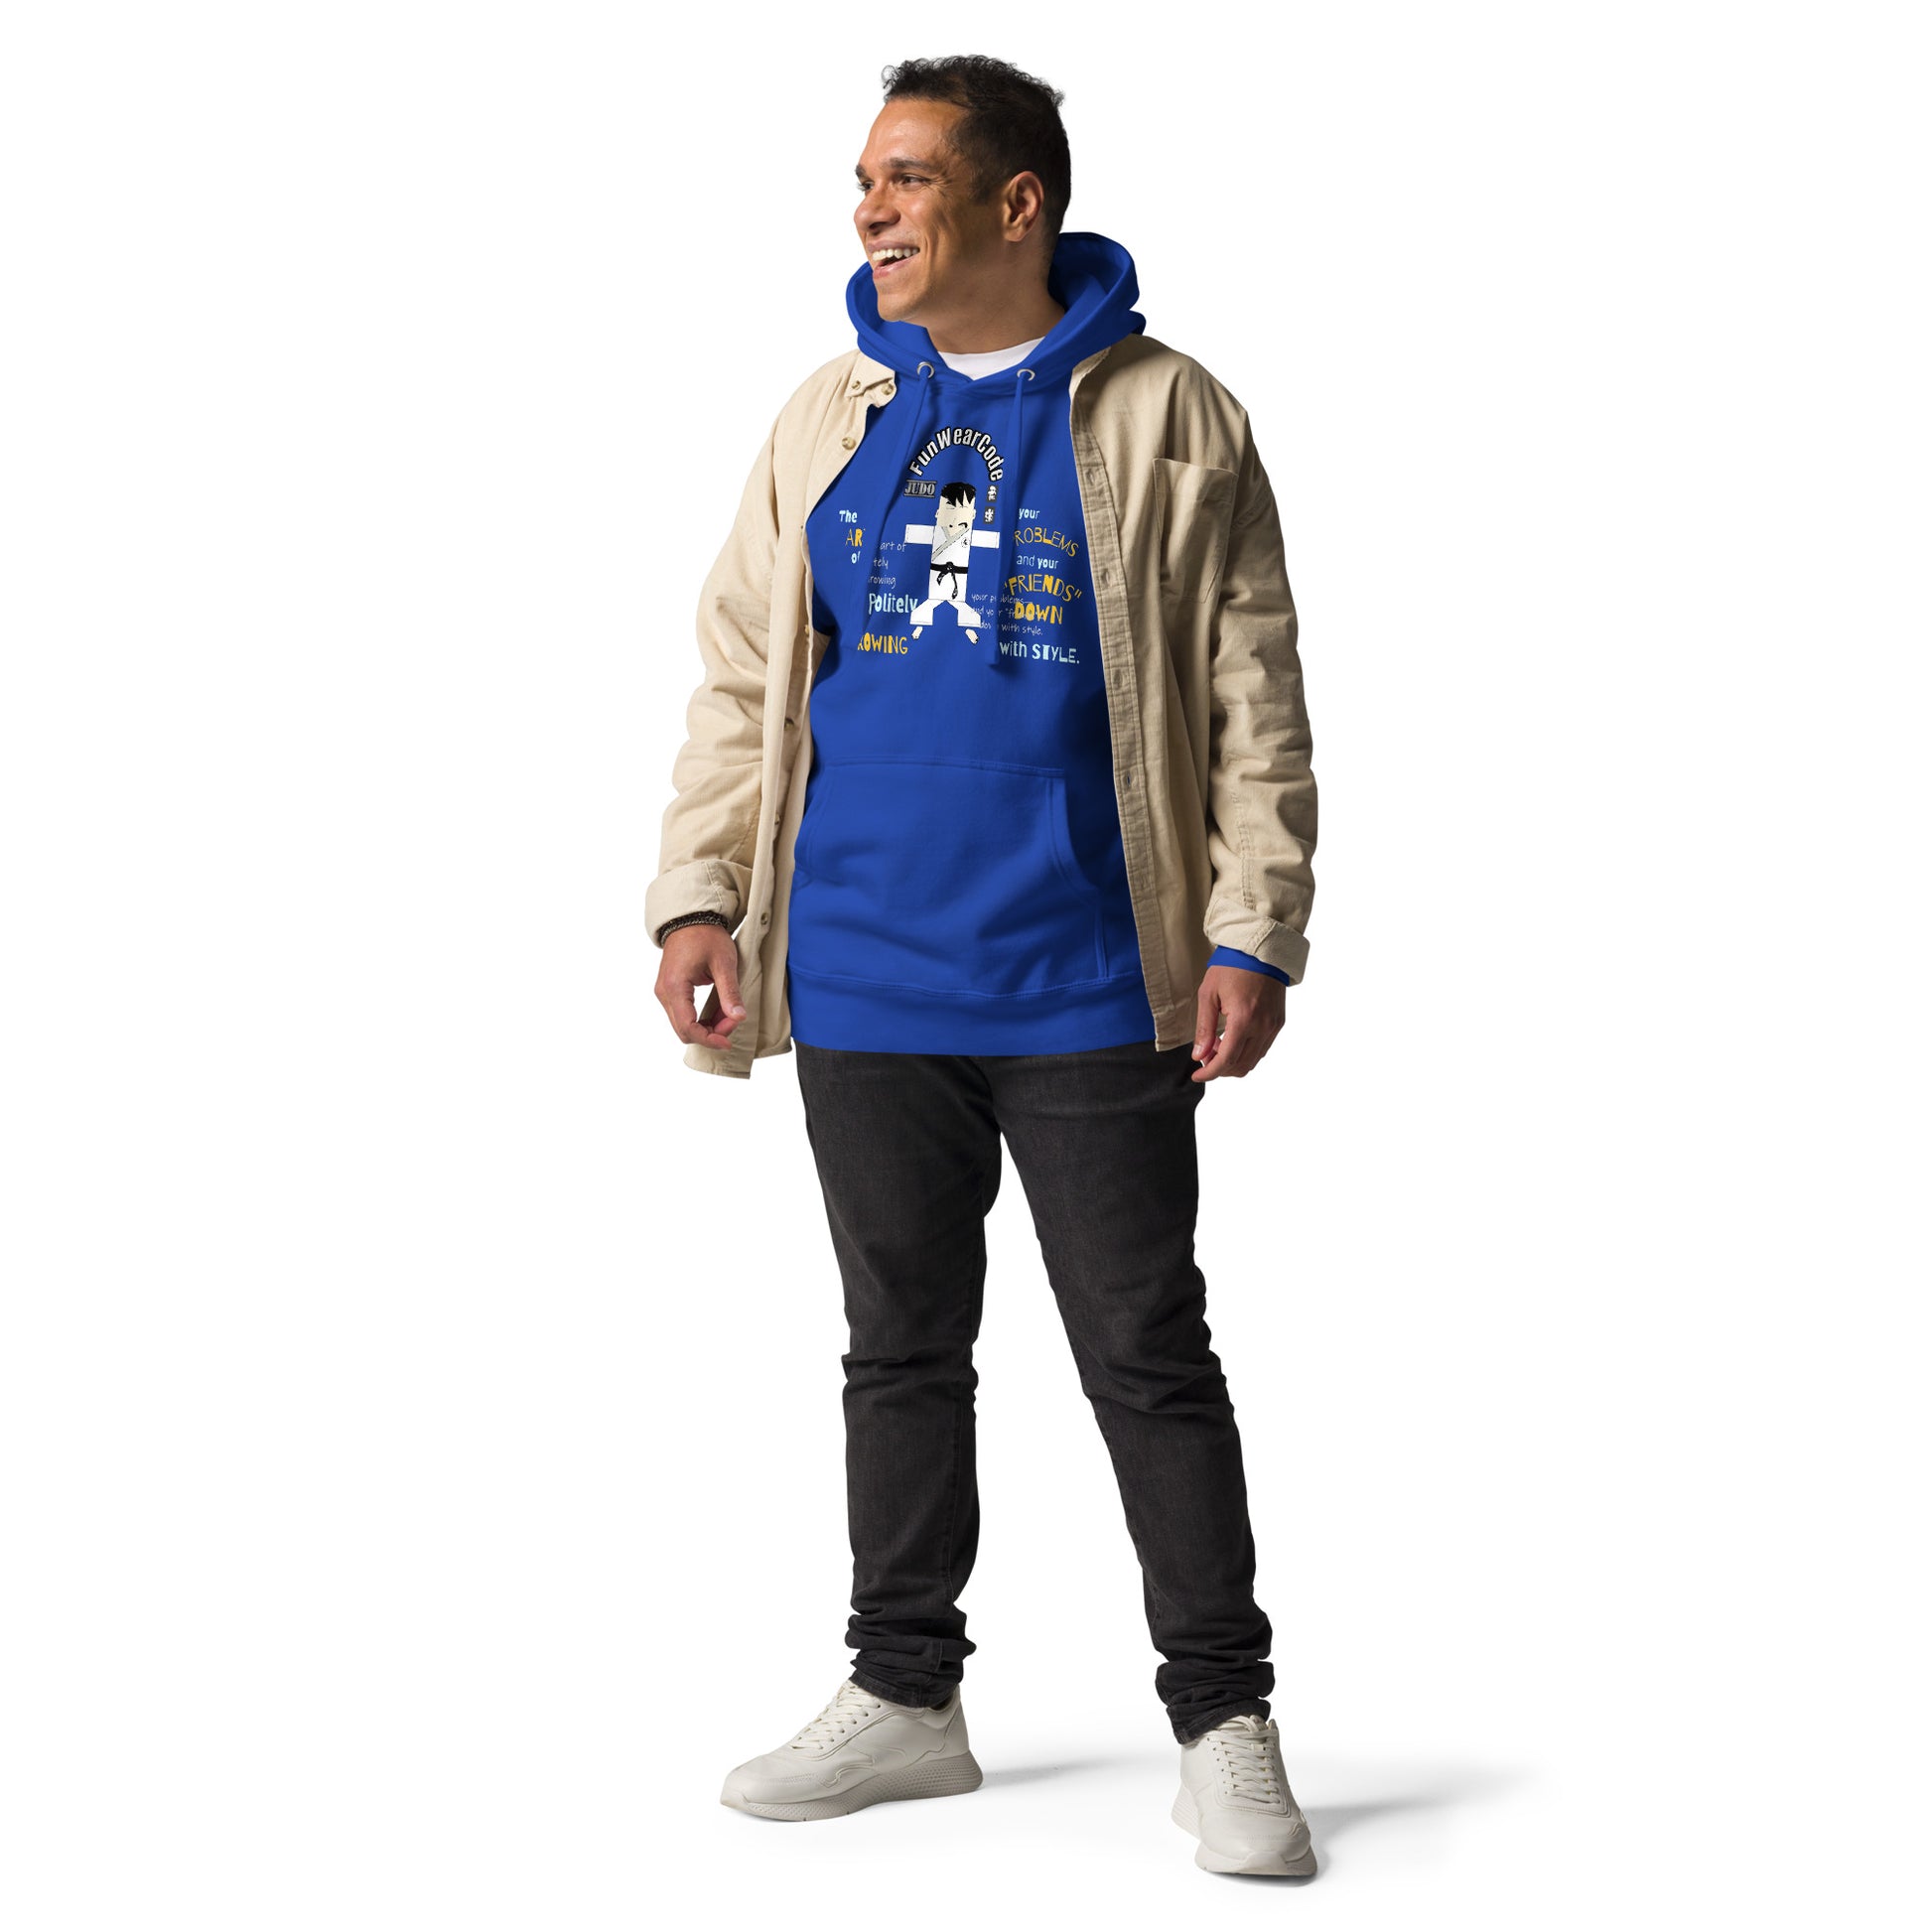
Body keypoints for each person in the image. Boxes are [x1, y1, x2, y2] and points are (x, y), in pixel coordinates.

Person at [648, 54, 1318, 1878]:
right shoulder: (828, 412)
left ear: (1016, 203)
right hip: (863, 969)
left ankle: (1223, 1720)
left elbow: (1252, 696)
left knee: (1145, 1351)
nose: (869, 208)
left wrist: (1253, 924)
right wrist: (699, 894)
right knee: (897, 1352)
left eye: (907, 177)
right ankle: (904, 1692)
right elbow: (743, 673)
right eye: (862, 180)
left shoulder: (1170, 414)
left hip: (1092, 975)